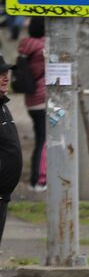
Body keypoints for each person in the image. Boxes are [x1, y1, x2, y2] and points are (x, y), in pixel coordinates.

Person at [17, 19, 46, 189]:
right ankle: (39, 180)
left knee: (39, 140)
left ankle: (35, 178)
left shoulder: (25, 46)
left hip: (31, 101)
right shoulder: (43, 48)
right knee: (44, 141)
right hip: (43, 99)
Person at [0, 55, 21, 243]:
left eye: (6, 72)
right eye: (0, 74)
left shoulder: (3, 106)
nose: (5, 77)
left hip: (3, 195)